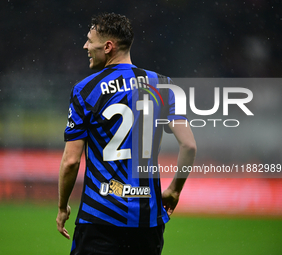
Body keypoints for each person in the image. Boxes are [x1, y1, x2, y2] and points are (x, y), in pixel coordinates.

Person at [56, 13, 196, 255]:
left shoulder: (84, 90)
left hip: (100, 218)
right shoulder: (163, 84)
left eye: (90, 40)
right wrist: (174, 191)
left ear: (108, 47)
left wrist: (62, 206)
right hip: (147, 221)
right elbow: (189, 146)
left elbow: (70, 162)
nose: (85, 46)